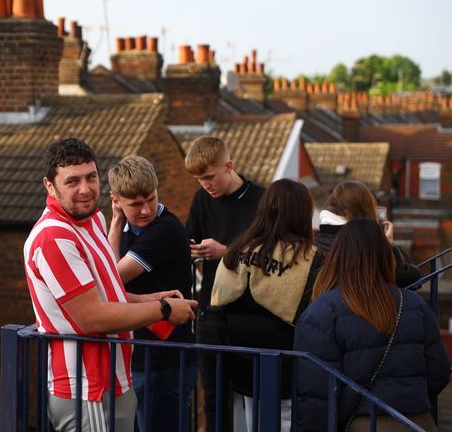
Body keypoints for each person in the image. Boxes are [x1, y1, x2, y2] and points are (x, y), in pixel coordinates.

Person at [24, 138, 198, 432]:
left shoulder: (93, 219)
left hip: (116, 378)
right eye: (72, 181)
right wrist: (164, 309)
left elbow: (108, 294)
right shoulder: (54, 237)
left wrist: (149, 300)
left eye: (91, 177)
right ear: (49, 186)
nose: (85, 189)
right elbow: (92, 317)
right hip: (86, 387)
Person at [294, 218, 451, 431]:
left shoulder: (323, 311)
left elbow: (315, 393)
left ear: (338, 257)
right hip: (417, 423)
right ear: (386, 256)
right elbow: (439, 371)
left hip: (362, 423)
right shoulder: (413, 303)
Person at [210, 179, 317, 432]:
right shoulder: (312, 259)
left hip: (243, 366)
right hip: (290, 369)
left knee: (253, 423)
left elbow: (217, 305)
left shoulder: (236, 251)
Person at [106, 155, 198, 432]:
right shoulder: (124, 227)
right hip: (140, 357)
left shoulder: (164, 230)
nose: (145, 210)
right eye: (135, 204)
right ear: (116, 200)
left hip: (164, 360)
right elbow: (109, 279)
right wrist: (115, 223)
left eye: (151, 198)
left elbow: (110, 280)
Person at [184, 136, 265, 431]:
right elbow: (188, 238)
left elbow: (271, 257)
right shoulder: (202, 199)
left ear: (229, 166)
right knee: (214, 395)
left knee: (255, 394)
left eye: (209, 177)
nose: (205, 185)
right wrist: (190, 248)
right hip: (211, 311)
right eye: (199, 180)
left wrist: (225, 252)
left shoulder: (262, 199)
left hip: (252, 311)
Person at [312, 180, 420, 288]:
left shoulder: (318, 240)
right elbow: (410, 279)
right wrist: (388, 245)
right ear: (365, 208)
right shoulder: (371, 244)